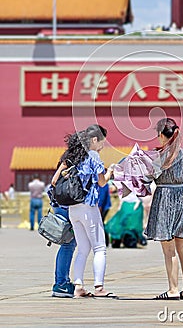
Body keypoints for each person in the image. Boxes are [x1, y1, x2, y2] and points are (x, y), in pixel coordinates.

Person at [51, 124, 117, 299]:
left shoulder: (72, 156)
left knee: (82, 248)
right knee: (100, 248)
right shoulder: (93, 156)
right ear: (94, 140)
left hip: (73, 208)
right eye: (102, 142)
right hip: (89, 207)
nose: (103, 146)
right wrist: (109, 172)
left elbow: (54, 180)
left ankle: (78, 285)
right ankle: (99, 287)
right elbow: (102, 183)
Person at [145, 117, 183, 300]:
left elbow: (146, 179)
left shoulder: (159, 157)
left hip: (164, 198)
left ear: (161, 135)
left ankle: (173, 289)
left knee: (169, 249)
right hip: (182, 197)